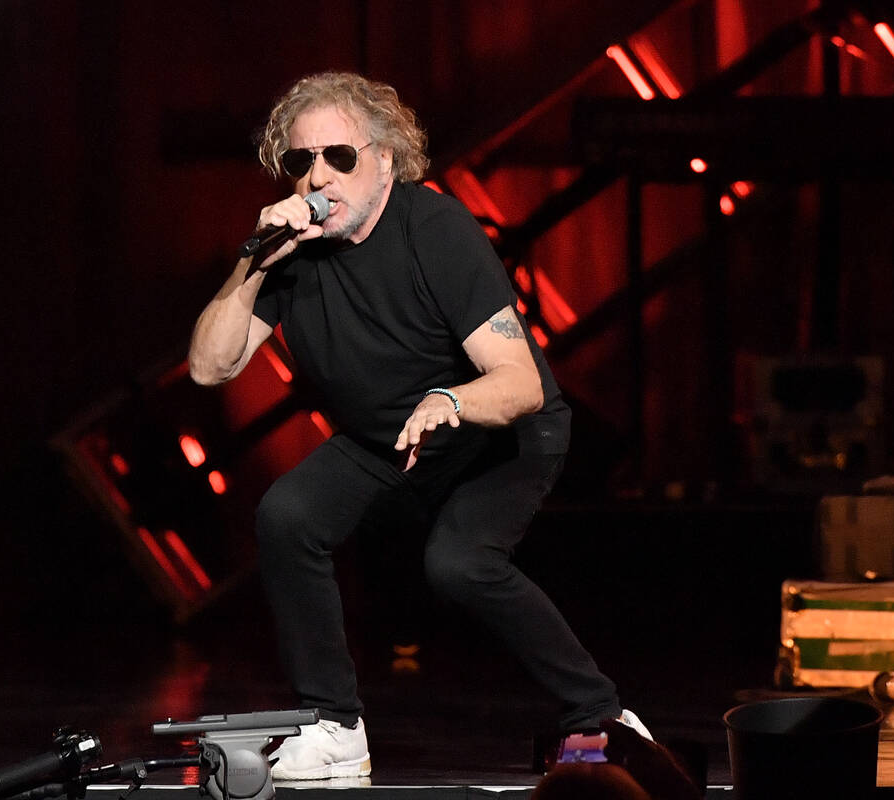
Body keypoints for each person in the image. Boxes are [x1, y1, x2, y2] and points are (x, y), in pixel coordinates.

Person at [188, 71, 648, 781]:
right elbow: (208, 367)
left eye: (338, 157)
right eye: (300, 160)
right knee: (288, 516)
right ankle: (334, 725)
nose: (318, 177)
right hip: (390, 438)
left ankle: (602, 713)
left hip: (495, 431)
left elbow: (521, 384)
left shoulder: (435, 230)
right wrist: (254, 260)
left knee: (460, 564)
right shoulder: (289, 254)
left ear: (385, 160)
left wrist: (451, 402)